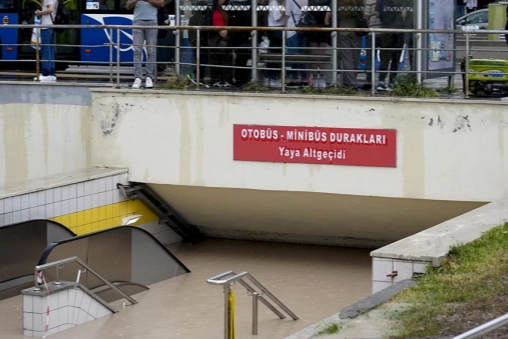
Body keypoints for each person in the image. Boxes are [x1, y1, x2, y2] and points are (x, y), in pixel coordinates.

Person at [126, 0, 165, 89]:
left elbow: (161, 3)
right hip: (138, 21)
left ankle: (149, 77)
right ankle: (138, 78)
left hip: (152, 21)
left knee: (151, 50)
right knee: (137, 50)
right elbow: (128, 6)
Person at [325, 0, 363, 89]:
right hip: (356, 27)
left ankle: (350, 82)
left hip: (342, 26)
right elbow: (363, 13)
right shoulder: (358, 2)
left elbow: (328, 17)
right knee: (356, 56)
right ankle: (350, 80)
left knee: (347, 58)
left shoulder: (337, 2)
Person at [376, 0, 412, 91]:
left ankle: (381, 80)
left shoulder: (382, 2)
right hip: (399, 30)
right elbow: (405, 15)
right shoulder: (404, 2)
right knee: (395, 57)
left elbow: (379, 14)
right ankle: (392, 81)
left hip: (386, 29)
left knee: (384, 56)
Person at [208, 0, 233, 87]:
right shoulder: (212, 10)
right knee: (216, 59)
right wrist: (219, 31)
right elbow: (209, 22)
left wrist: (227, 31)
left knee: (225, 59)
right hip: (215, 38)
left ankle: (226, 80)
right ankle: (216, 80)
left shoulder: (226, 9)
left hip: (225, 37)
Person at [284, 0, 308, 86]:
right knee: (301, 54)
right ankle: (304, 78)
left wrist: (285, 29)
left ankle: (295, 78)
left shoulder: (290, 0)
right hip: (303, 27)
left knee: (293, 54)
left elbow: (287, 15)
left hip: (292, 28)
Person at [34, 0, 57, 83]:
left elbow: (50, 9)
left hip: (46, 26)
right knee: (50, 49)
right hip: (50, 26)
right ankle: (51, 73)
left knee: (45, 50)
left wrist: (39, 13)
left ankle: (46, 73)